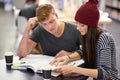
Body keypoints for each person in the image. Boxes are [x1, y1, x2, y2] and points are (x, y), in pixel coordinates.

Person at [50, 0, 120, 79]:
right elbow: (83, 52)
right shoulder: (88, 35)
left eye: (82, 25)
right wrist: (68, 58)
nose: (78, 28)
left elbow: (105, 73)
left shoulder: (104, 38)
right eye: (77, 24)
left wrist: (74, 69)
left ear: (91, 26)